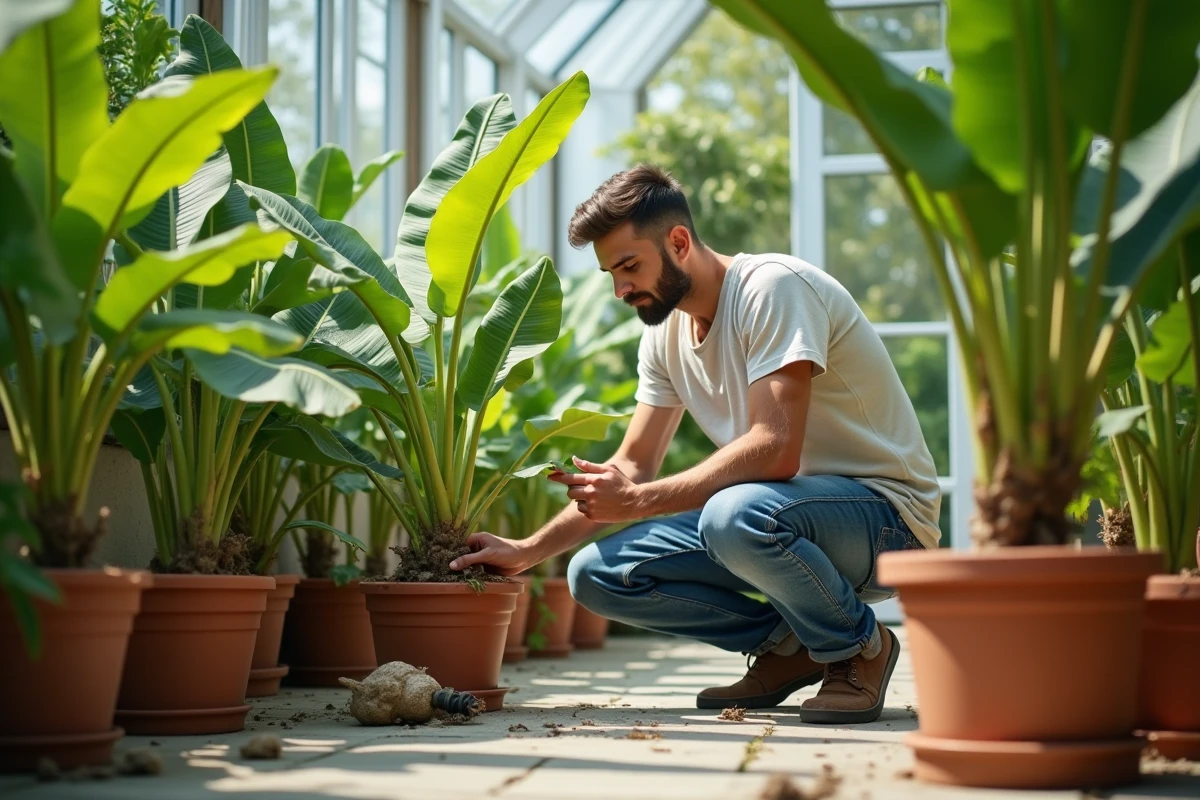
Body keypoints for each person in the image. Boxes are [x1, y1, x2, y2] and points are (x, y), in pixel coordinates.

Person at [449, 164, 941, 724]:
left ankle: (857, 648)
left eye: (630, 266)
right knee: (596, 574)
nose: (621, 289)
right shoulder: (663, 336)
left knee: (731, 514)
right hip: (778, 521)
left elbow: (774, 447)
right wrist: (527, 551)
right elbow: (634, 463)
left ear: (678, 242)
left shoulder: (772, 289)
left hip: (886, 523)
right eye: (612, 273)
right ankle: (793, 646)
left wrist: (636, 501)